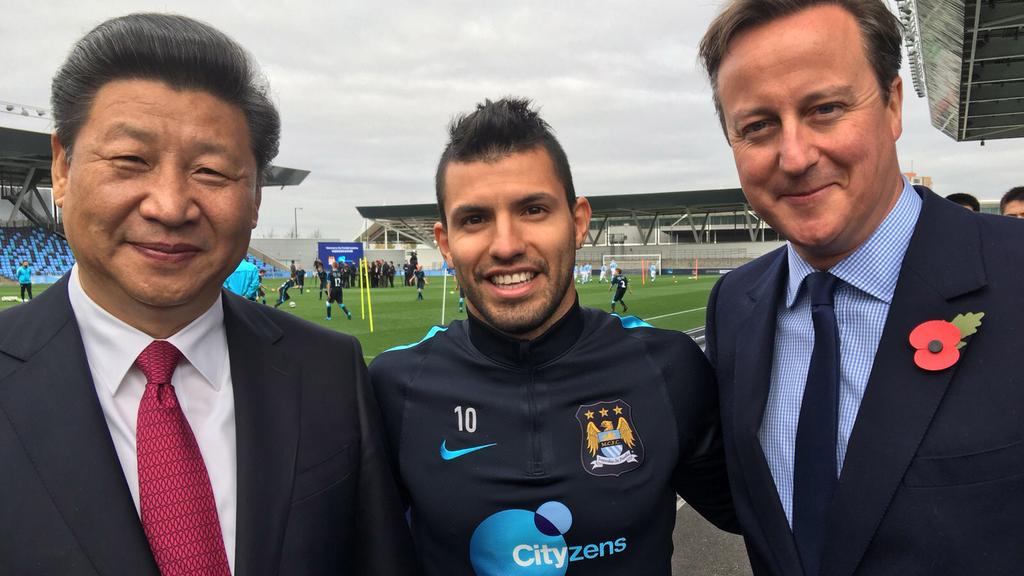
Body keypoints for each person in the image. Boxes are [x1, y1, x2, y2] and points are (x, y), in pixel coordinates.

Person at [0, 14, 415, 575]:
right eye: (130, 161)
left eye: (212, 171)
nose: (170, 206)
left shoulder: (330, 373)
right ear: (63, 167)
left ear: (255, 196)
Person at [698, 2, 1024, 575]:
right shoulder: (735, 304)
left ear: (894, 105)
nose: (794, 157)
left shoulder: (1014, 271)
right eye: (757, 127)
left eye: (825, 109)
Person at [369, 97, 737, 576]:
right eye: (475, 219)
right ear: (444, 242)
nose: (506, 245)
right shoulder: (394, 387)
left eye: (534, 209)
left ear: (578, 221)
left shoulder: (668, 367)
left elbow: (770, 518)